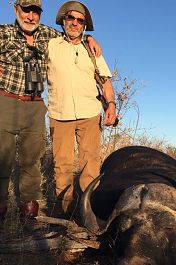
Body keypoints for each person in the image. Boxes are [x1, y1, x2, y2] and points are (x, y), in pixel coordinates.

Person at [0, 0, 101, 233]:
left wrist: (90, 39)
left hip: (35, 105)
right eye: (26, 10)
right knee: (0, 159)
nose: (31, 16)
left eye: (36, 12)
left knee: (31, 162)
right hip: (4, 100)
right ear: (16, 9)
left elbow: (73, 36)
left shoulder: (49, 35)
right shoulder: (0, 32)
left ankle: (29, 216)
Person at [48, 1, 116, 217]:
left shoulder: (91, 48)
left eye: (80, 20)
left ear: (85, 25)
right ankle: (64, 214)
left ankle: (90, 214)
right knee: (62, 167)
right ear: (63, 20)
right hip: (60, 113)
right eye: (71, 18)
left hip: (90, 113)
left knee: (90, 166)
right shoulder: (50, 44)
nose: (75, 23)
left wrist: (112, 105)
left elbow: (105, 81)